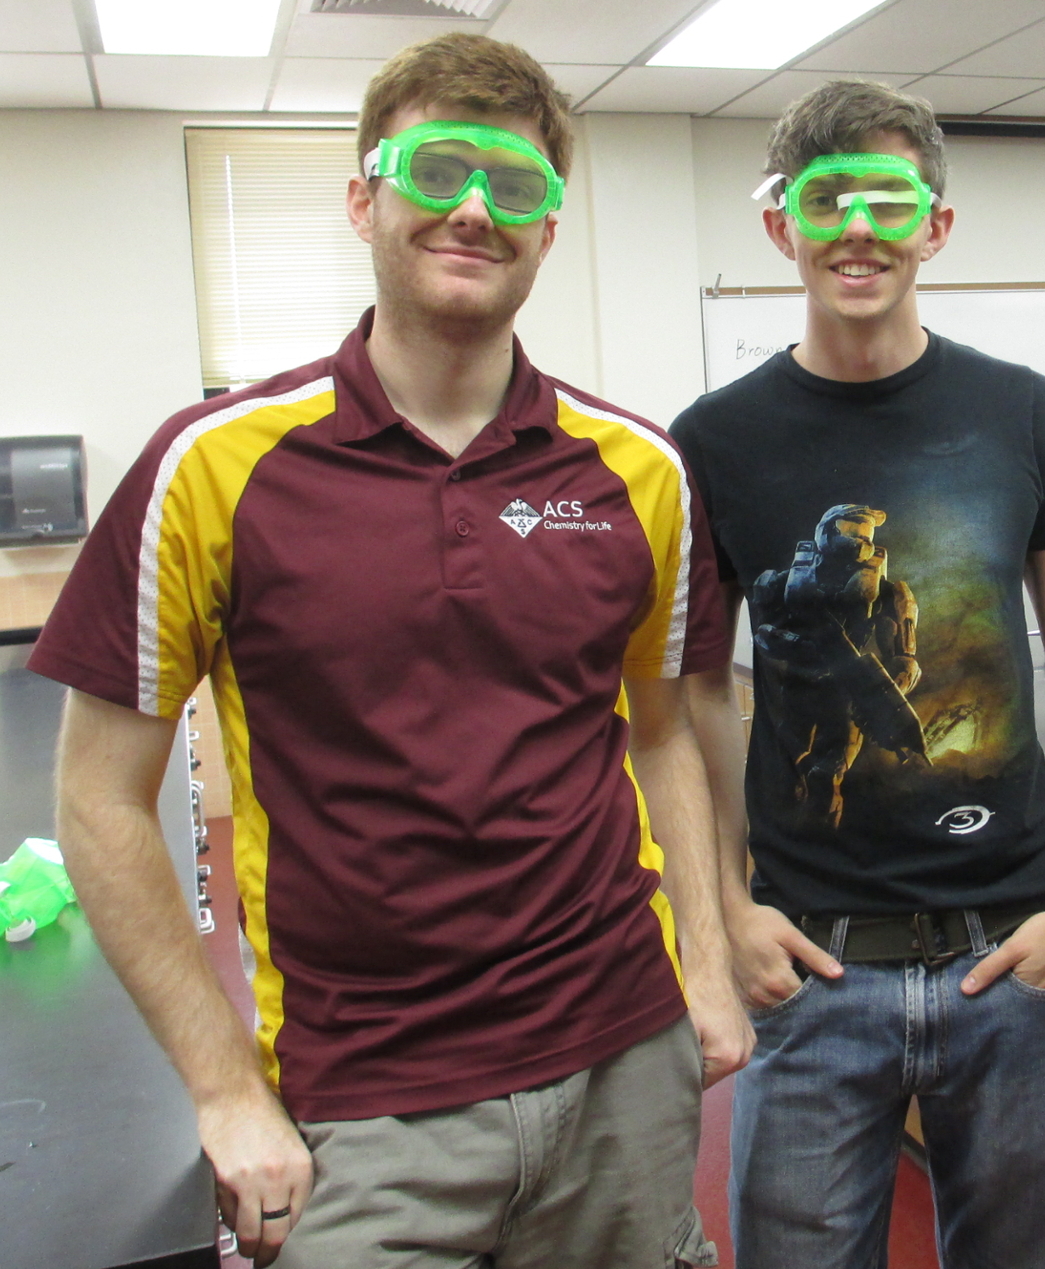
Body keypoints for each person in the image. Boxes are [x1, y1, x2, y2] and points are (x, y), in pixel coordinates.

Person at [32, 33, 748, 1268]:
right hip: (365, 1101)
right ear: (365, 196)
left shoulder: (640, 472)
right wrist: (220, 1090)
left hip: (622, 1062)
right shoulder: (213, 464)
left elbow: (663, 727)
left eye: (517, 184)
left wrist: (709, 965)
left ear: (550, 229)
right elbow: (98, 799)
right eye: (436, 168)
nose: (475, 206)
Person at [668, 80, 1045, 1267]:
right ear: (784, 227)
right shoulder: (713, 440)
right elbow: (695, 695)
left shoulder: (1023, 413)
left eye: (890, 197)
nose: (858, 227)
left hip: (1010, 961)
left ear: (936, 224)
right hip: (812, 969)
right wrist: (728, 912)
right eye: (827, 199)